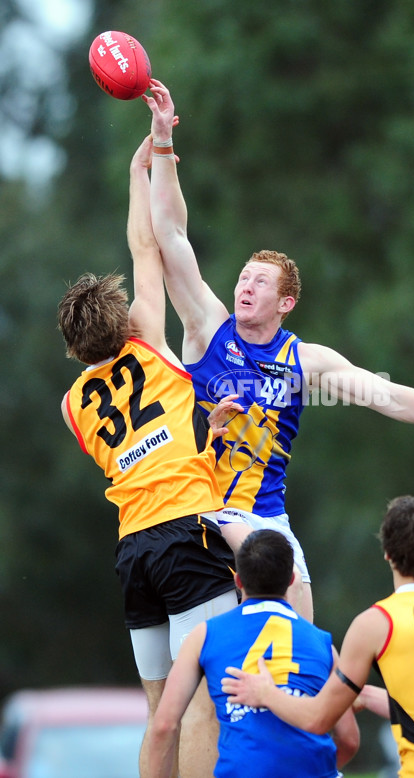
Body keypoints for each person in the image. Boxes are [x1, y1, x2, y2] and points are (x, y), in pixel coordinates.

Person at [143, 79, 414, 622]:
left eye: (260, 282)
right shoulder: (207, 329)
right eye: (243, 277)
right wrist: (163, 142)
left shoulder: (304, 361)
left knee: (305, 649)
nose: (244, 286)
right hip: (204, 509)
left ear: (285, 302)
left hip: (267, 518)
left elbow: (389, 397)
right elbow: (171, 235)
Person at [57, 135, 243, 778]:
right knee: (205, 705)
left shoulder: (72, 405)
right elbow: (146, 247)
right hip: (186, 530)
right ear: (123, 322)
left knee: (160, 710)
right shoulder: (149, 342)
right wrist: (139, 172)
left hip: (132, 547)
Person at [222, 496, 414, 778]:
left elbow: (318, 719)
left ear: (387, 553)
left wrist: (265, 693)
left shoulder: (377, 623)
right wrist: (363, 694)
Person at [145, 529, 360, 778]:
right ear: (291, 580)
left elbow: (164, 726)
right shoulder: (324, 644)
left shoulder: (205, 635)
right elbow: (349, 739)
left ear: (238, 581)